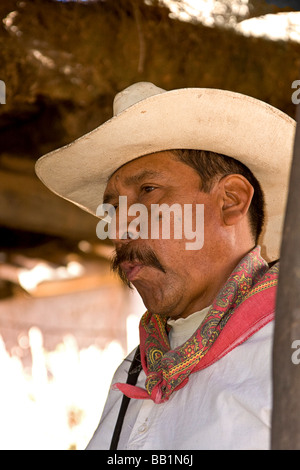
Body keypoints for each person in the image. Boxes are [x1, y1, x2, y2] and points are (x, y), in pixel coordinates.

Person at [36, 82, 296, 450]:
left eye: (148, 191)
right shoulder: (134, 371)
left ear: (231, 201)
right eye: (111, 209)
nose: (120, 228)